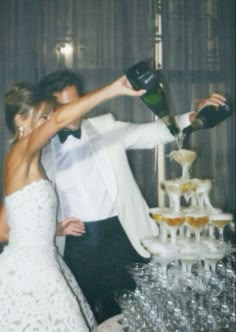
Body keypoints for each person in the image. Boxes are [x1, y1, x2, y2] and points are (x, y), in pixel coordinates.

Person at [39, 70, 226, 323]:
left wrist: (193, 117)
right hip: (74, 249)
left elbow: (154, 133)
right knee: (79, 319)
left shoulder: (105, 127)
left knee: (130, 317)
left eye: (75, 102)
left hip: (120, 238)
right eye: (63, 106)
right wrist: (55, 228)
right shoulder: (38, 152)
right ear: (49, 111)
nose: (72, 111)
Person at [0, 76, 144, 331]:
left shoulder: (32, 159)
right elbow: (60, 120)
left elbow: (3, 229)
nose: (49, 122)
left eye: (48, 116)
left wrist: (51, 229)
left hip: (47, 262)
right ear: (20, 120)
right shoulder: (20, 152)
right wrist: (112, 89)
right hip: (31, 272)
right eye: (43, 116)